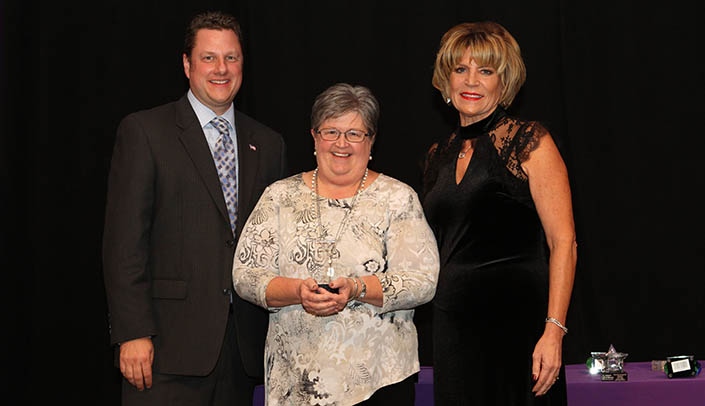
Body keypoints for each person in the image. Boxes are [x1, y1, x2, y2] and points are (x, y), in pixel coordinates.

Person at [102, 10, 288, 406]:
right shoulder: (145, 132)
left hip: (243, 352)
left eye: (231, 58)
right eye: (208, 57)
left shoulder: (268, 144)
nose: (221, 69)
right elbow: (124, 244)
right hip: (165, 350)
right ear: (187, 64)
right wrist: (133, 331)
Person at [232, 82, 440, 405]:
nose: (342, 143)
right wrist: (297, 291)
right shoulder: (279, 197)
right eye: (331, 131)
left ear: (371, 141)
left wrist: (358, 288)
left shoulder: (398, 200)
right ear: (314, 137)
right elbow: (245, 273)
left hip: (379, 384)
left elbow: (422, 280)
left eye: (355, 133)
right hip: (295, 384)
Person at [421, 21, 577, 405]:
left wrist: (553, 331)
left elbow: (564, 242)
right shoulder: (436, 155)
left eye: (485, 71)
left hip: (518, 330)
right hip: (453, 328)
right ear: (446, 79)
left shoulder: (530, 142)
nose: (471, 80)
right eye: (461, 69)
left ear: (503, 83)